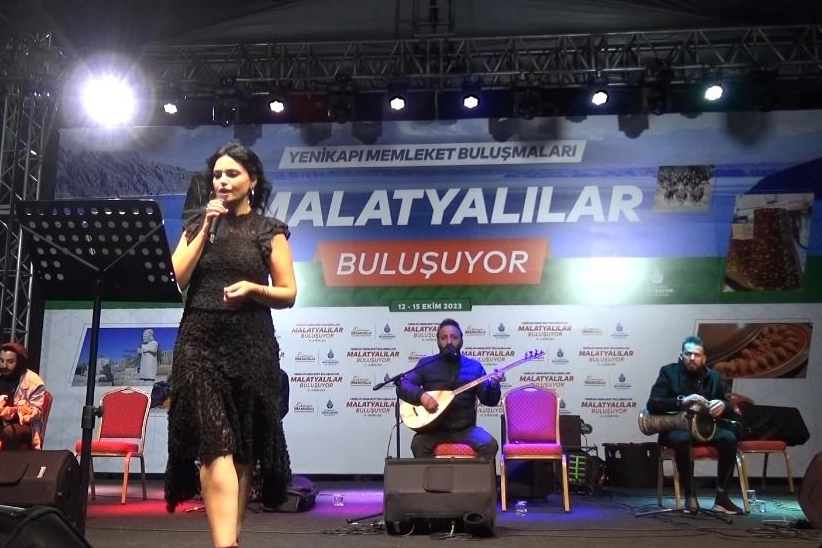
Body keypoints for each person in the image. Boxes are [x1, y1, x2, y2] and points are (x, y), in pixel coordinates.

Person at [164, 142, 297, 548]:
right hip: (198, 343)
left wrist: (254, 289)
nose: (222, 181)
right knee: (215, 442)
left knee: (242, 449)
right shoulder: (197, 225)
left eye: (232, 173)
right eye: (217, 175)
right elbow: (176, 279)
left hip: (250, 343)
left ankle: (232, 538)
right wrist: (205, 226)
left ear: (252, 180)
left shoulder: (269, 230)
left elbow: (288, 293)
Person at [645, 335, 744, 515]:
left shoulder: (713, 377)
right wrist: (681, 401)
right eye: (688, 354)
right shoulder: (668, 372)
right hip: (675, 428)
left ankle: (722, 498)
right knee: (683, 439)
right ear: (681, 355)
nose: (692, 358)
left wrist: (723, 405)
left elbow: (729, 407)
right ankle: (690, 496)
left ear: (704, 358)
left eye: (696, 355)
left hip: (706, 429)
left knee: (729, 439)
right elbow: (653, 404)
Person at [396, 318, 504, 460]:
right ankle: (432, 476)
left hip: (466, 430)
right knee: (418, 444)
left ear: (461, 341)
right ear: (438, 341)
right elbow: (404, 385)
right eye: (444, 337)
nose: (448, 342)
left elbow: (489, 400)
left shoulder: (474, 367)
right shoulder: (426, 364)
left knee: (489, 445)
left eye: (454, 337)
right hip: (433, 431)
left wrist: (494, 386)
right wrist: (422, 396)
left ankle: (476, 476)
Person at [0, 341, 46, 450]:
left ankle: (8, 462)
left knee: (10, 432)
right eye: (1, 361)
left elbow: (36, 413)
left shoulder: (33, 382)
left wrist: (16, 411)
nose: (4, 366)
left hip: (24, 426)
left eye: (10, 361)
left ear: (19, 362)